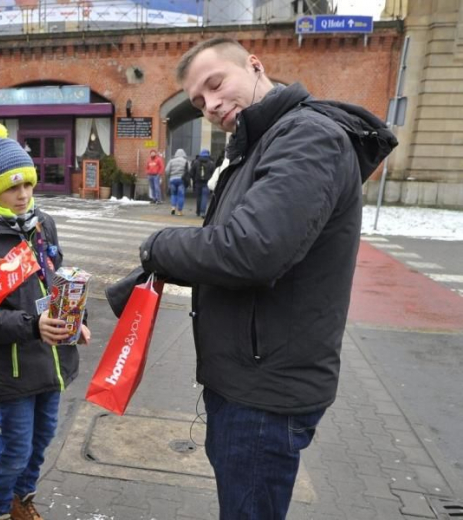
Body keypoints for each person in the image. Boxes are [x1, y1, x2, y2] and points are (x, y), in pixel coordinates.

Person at [137, 37, 392, 519]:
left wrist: (158, 246)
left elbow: (251, 249)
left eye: (216, 84)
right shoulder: (260, 144)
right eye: (198, 102)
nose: (211, 105)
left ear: (255, 64)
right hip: (249, 377)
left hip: (264, 391)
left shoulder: (305, 137)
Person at [0, 122, 91, 520]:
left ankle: (23, 500)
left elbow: (55, 278)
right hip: (15, 368)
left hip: (53, 358)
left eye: (28, 185)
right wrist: (33, 327)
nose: (23, 196)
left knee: (43, 439)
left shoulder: (42, 225)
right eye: (12, 187)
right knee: (17, 444)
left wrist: (76, 317)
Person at [190, 148, 214, 217]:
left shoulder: (196, 162)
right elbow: (213, 173)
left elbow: (191, 173)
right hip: (207, 182)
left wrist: (194, 179)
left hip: (198, 182)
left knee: (199, 197)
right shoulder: (211, 163)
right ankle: (203, 212)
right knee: (204, 197)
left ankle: (198, 211)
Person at [165, 148, 188, 215]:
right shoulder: (186, 161)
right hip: (181, 180)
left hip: (173, 179)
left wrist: (170, 176)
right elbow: (188, 171)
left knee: (173, 194)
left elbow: (166, 171)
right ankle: (180, 211)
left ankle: (173, 207)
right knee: (181, 195)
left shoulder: (171, 161)